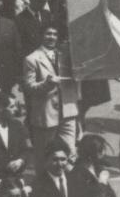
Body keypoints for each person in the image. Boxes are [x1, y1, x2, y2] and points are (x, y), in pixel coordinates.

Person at [22, 24, 79, 176]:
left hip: (68, 111)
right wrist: (47, 84)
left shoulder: (65, 56)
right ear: (41, 36)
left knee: (70, 153)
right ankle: (44, 188)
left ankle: (67, 187)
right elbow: (28, 87)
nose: (52, 37)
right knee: (44, 157)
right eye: (48, 34)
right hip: (46, 115)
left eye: (54, 34)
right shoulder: (31, 59)